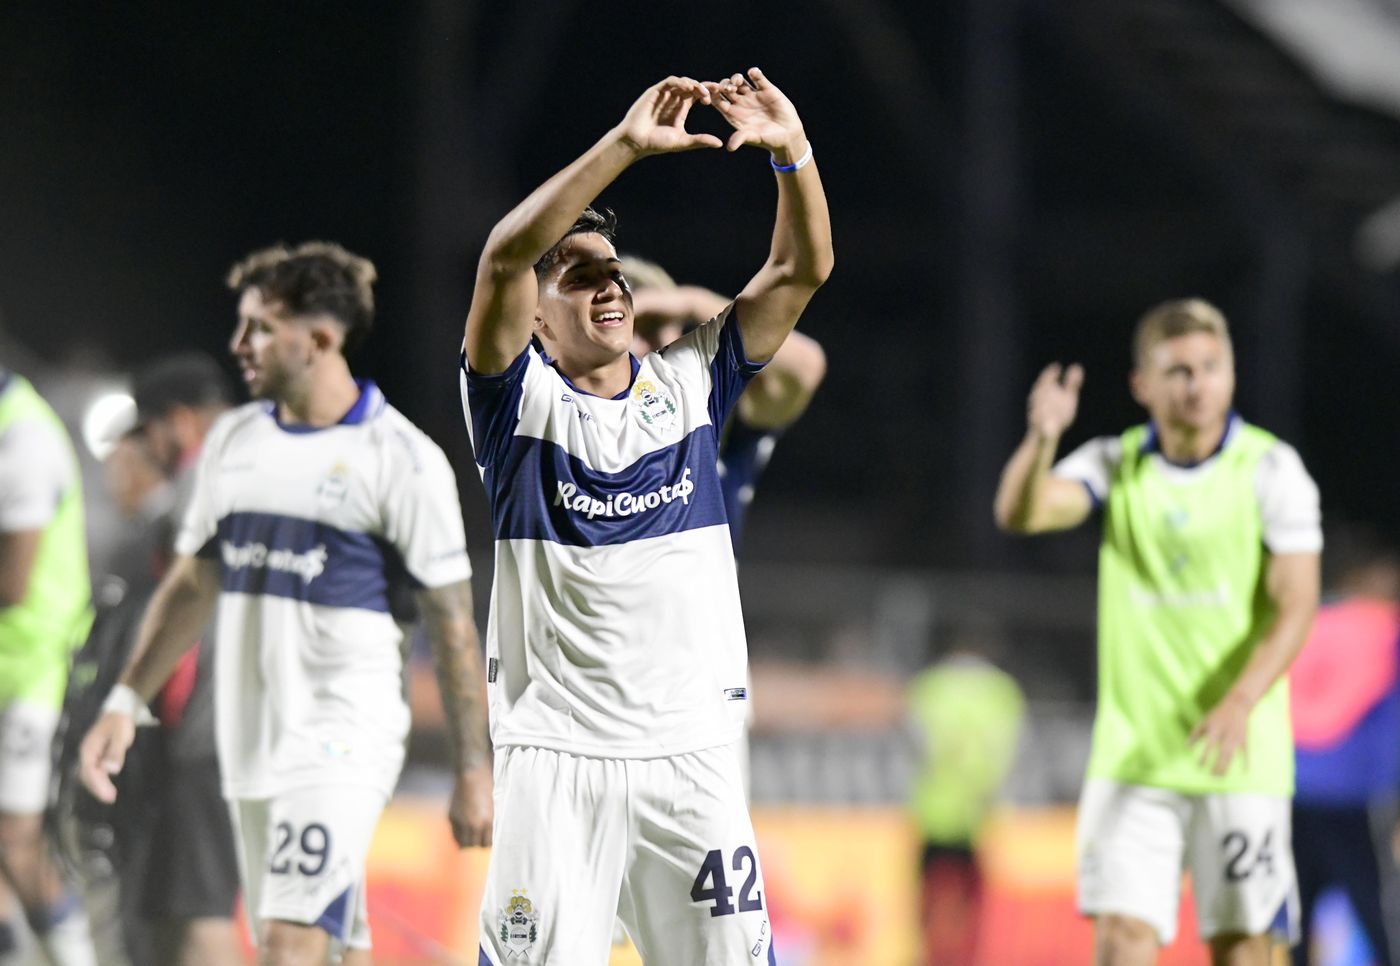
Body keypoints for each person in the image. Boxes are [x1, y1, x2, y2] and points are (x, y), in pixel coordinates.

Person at [460, 69, 831, 965]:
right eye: (579, 277)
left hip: (691, 753)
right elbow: (506, 256)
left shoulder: (694, 380)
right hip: (556, 760)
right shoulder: (515, 408)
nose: (609, 287)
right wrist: (625, 148)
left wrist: (793, 152)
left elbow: (802, 269)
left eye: (612, 272)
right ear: (537, 323)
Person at [78, 242, 493, 966]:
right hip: (251, 740)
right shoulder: (236, 442)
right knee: (335, 943)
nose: (240, 345)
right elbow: (192, 585)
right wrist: (123, 699)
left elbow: (451, 623)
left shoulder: (402, 459)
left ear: (321, 340)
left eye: (260, 328)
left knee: (287, 945)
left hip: (341, 736)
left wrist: (471, 768)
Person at [993, 298, 1322, 965]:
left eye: (1211, 367)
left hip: (1238, 757)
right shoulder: (1115, 464)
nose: (1198, 385)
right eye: (1178, 371)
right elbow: (1021, 512)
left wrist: (1238, 701)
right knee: (1120, 941)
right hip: (1134, 761)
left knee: (1244, 946)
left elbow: (1297, 604)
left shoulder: (1270, 469)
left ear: (1230, 373)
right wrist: (1043, 438)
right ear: (1142, 385)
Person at [114, 354, 243, 966]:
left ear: (181, 421)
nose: (148, 454)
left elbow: (170, 573)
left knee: (201, 913)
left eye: (148, 437)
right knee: (182, 910)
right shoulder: (262, 458)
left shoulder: (207, 472)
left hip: (208, 726)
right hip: (226, 722)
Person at [622, 256, 826, 551]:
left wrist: (691, 301)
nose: (647, 347)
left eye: (656, 325)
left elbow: (805, 366)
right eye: (631, 329)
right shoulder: (563, 415)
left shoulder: (711, 408)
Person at [0, 367, 99, 966]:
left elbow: (13, 582)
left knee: (15, 840)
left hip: (32, 672)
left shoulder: (25, 439)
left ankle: (74, 954)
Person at [1288, 525, 1400, 965]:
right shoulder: (1384, 630)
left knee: (1299, 908)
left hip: (1294, 786)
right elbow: (1353, 703)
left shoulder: (1307, 624)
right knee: (1377, 908)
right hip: (1357, 793)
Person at [906, 624, 1025, 966]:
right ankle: (967, 958)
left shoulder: (929, 686)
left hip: (933, 809)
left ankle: (930, 956)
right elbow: (1009, 750)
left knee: (930, 896)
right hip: (978, 812)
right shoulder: (1002, 690)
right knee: (972, 901)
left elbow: (916, 745)